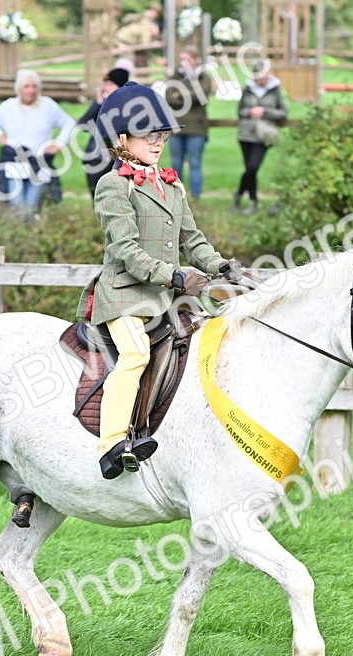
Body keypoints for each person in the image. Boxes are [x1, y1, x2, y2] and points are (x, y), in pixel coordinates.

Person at [79, 81, 232, 479]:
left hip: (164, 297)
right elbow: (127, 251)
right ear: (122, 139)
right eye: (149, 134)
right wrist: (177, 276)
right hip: (125, 295)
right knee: (135, 354)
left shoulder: (170, 183)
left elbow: (191, 239)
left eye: (162, 134)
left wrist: (221, 267)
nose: (158, 141)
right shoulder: (112, 185)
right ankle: (113, 443)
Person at [0, 70, 75, 217]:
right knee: (17, 208)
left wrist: (58, 143)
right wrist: (0, 137)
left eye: (34, 86)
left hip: (40, 165)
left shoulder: (48, 106)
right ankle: (18, 238)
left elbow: (69, 123)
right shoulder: (8, 106)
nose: (30, 90)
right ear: (19, 88)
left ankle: (31, 236)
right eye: (26, 86)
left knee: (31, 207)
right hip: (15, 164)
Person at [233, 59, 287, 215]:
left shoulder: (275, 89)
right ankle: (253, 201)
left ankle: (238, 195)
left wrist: (265, 111)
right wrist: (250, 112)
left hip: (263, 136)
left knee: (252, 167)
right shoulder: (248, 89)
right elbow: (240, 111)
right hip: (245, 134)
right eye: (264, 74)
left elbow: (283, 112)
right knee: (250, 171)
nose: (267, 77)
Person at [164, 47, 213, 198]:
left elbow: (202, 96)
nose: (183, 62)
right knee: (176, 164)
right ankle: (178, 197)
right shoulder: (175, 77)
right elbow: (169, 97)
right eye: (181, 59)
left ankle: (196, 197)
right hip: (176, 128)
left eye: (187, 59)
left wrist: (180, 94)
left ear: (195, 60)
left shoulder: (204, 77)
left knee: (195, 164)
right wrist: (189, 95)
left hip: (197, 128)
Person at [78, 67, 130, 198]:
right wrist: (98, 102)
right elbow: (83, 125)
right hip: (96, 159)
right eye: (104, 84)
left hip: (116, 161)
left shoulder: (128, 106)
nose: (104, 88)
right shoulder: (101, 105)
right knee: (97, 199)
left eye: (110, 84)